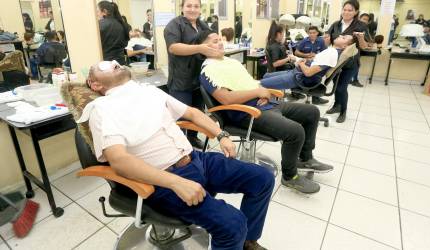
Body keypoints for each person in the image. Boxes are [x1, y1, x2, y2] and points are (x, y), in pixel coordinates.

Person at [81, 60, 274, 250]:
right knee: (232, 225)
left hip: (197, 160)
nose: (114, 62)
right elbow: (119, 161)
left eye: (114, 61)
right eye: (104, 65)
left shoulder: (148, 91)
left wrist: (221, 135)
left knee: (262, 179)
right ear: (95, 84)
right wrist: (176, 182)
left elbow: (192, 113)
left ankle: (248, 242)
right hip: (165, 181)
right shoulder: (103, 110)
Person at [198, 30, 334, 194]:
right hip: (246, 113)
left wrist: (262, 91)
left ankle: (305, 158)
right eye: (213, 41)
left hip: (264, 104)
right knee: (295, 131)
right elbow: (226, 99)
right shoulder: (208, 71)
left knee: (311, 112)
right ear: (202, 47)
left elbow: (250, 83)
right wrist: (256, 93)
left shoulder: (230, 62)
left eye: (220, 39)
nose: (219, 43)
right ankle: (290, 177)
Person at [164, 0, 222, 149]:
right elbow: (174, 48)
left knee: (198, 112)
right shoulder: (174, 25)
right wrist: (200, 48)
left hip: (199, 79)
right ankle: (179, 146)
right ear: (182, 8)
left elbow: (212, 40)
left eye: (196, 6)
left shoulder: (203, 25)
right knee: (181, 116)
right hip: (181, 80)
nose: (192, 9)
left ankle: (193, 138)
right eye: (189, 6)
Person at [324, 0, 368, 123]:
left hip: (350, 63)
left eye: (350, 10)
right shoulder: (336, 24)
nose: (346, 12)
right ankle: (336, 105)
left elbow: (364, 46)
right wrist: (327, 40)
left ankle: (343, 111)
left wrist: (360, 38)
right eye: (345, 9)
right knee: (336, 86)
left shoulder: (360, 26)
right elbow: (328, 42)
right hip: (335, 62)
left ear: (356, 12)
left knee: (342, 88)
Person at [261, 34, 353, 90]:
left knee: (260, 84)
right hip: (297, 71)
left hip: (300, 78)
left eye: (344, 38)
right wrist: (305, 60)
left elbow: (308, 73)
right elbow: (314, 62)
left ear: (344, 46)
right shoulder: (330, 50)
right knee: (265, 76)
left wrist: (301, 63)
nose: (340, 36)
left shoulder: (332, 54)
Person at [294, 26, 328, 104]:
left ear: (317, 33)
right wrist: (307, 55)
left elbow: (325, 53)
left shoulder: (321, 41)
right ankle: (299, 92)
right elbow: (296, 52)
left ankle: (315, 97)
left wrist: (316, 56)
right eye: (310, 33)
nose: (312, 34)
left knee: (317, 74)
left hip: (314, 61)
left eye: (314, 33)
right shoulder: (304, 41)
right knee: (311, 75)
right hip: (304, 62)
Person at [97, 1, 129, 65]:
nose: (97, 14)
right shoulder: (122, 24)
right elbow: (125, 43)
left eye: (97, 11)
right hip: (121, 62)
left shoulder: (100, 25)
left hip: (106, 65)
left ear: (104, 12)